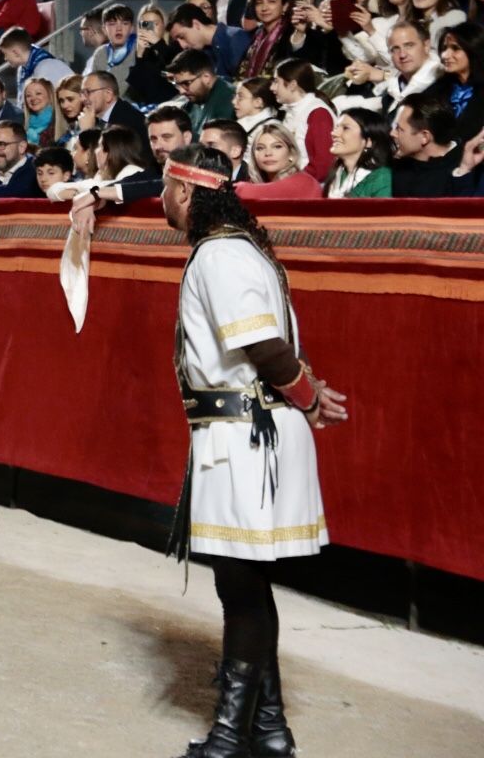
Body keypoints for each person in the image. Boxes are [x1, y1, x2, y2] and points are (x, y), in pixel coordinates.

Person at [150, 146, 344, 758]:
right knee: (248, 589)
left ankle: (231, 737)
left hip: (246, 440)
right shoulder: (236, 249)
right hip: (241, 435)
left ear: (185, 191)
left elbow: (261, 342)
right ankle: (270, 729)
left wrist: (309, 398)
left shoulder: (219, 254)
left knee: (241, 591)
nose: (160, 198)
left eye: (164, 185)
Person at [389, 95, 483, 198]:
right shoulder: (398, 167)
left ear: (425, 137)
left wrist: (464, 170)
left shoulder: (469, 166)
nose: (392, 133)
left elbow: (465, 210)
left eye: (399, 129)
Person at [269, 60, 333, 184]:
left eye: (276, 82)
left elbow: (323, 165)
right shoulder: (290, 111)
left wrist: (291, 182)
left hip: (310, 189)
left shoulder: (318, 113)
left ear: (292, 85)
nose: (272, 88)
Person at [430, 22, 484, 145]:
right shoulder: (438, 89)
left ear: (474, 49)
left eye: (455, 48)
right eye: (444, 48)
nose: (445, 55)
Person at [239, 122, 321, 201]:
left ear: (291, 153)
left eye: (277, 147)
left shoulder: (306, 182)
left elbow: (249, 192)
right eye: (260, 148)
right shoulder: (252, 182)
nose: (268, 153)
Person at [168, 4, 252, 79]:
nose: (183, 45)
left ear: (196, 24)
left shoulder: (235, 38)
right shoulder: (204, 52)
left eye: (182, 37)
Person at [325, 109, 392, 199]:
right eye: (336, 127)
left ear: (368, 141)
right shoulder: (338, 172)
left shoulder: (381, 178)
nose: (334, 133)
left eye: (346, 128)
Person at [167, 50, 235, 134]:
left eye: (186, 83)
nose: (181, 91)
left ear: (206, 77)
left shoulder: (230, 99)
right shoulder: (192, 101)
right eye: (177, 85)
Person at [79, 70, 144, 136]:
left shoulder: (128, 122)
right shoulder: (95, 120)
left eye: (88, 92)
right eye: (81, 94)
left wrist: (87, 132)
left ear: (108, 94)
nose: (82, 99)